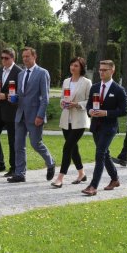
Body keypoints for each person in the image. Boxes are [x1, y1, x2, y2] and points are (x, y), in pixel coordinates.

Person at [7, 47, 55, 183]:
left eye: (28, 56)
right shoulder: (21, 74)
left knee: (35, 143)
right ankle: (20, 173)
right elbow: (22, 95)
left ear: (35, 57)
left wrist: (40, 115)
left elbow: (45, 98)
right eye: (23, 57)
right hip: (20, 114)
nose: (25, 59)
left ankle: (50, 162)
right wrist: (14, 98)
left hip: (35, 115)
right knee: (18, 145)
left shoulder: (42, 73)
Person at [81, 60, 127, 196]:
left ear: (112, 71)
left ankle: (93, 186)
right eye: (100, 70)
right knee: (105, 153)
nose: (101, 72)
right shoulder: (95, 87)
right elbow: (89, 105)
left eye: (105, 70)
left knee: (100, 154)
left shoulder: (118, 90)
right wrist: (90, 111)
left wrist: (106, 113)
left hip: (110, 127)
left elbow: (124, 111)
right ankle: (115, 179)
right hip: (96, 126)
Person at [51, 57, 92, 188]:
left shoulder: (86, 82)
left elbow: (89, 101)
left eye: (76, 66)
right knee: (73, 148)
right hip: (66, 119)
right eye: (72, 65)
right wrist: (63, 102)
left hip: (79, 120)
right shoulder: (66, 81)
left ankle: (60, 177)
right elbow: (63, 98)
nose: (73, 68)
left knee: (67, 147)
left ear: (81, 68)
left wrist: (77, 104)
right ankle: (81, 174)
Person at [0, 48, 22, 177]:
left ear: (13, 58)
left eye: (6, 58)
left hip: (12, 110)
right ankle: (0, 164)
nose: (3, 60)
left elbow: (21, 93)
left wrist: (5, 95)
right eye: (2, 58)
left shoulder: (19, 72)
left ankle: (14, 167)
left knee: (12, 140)